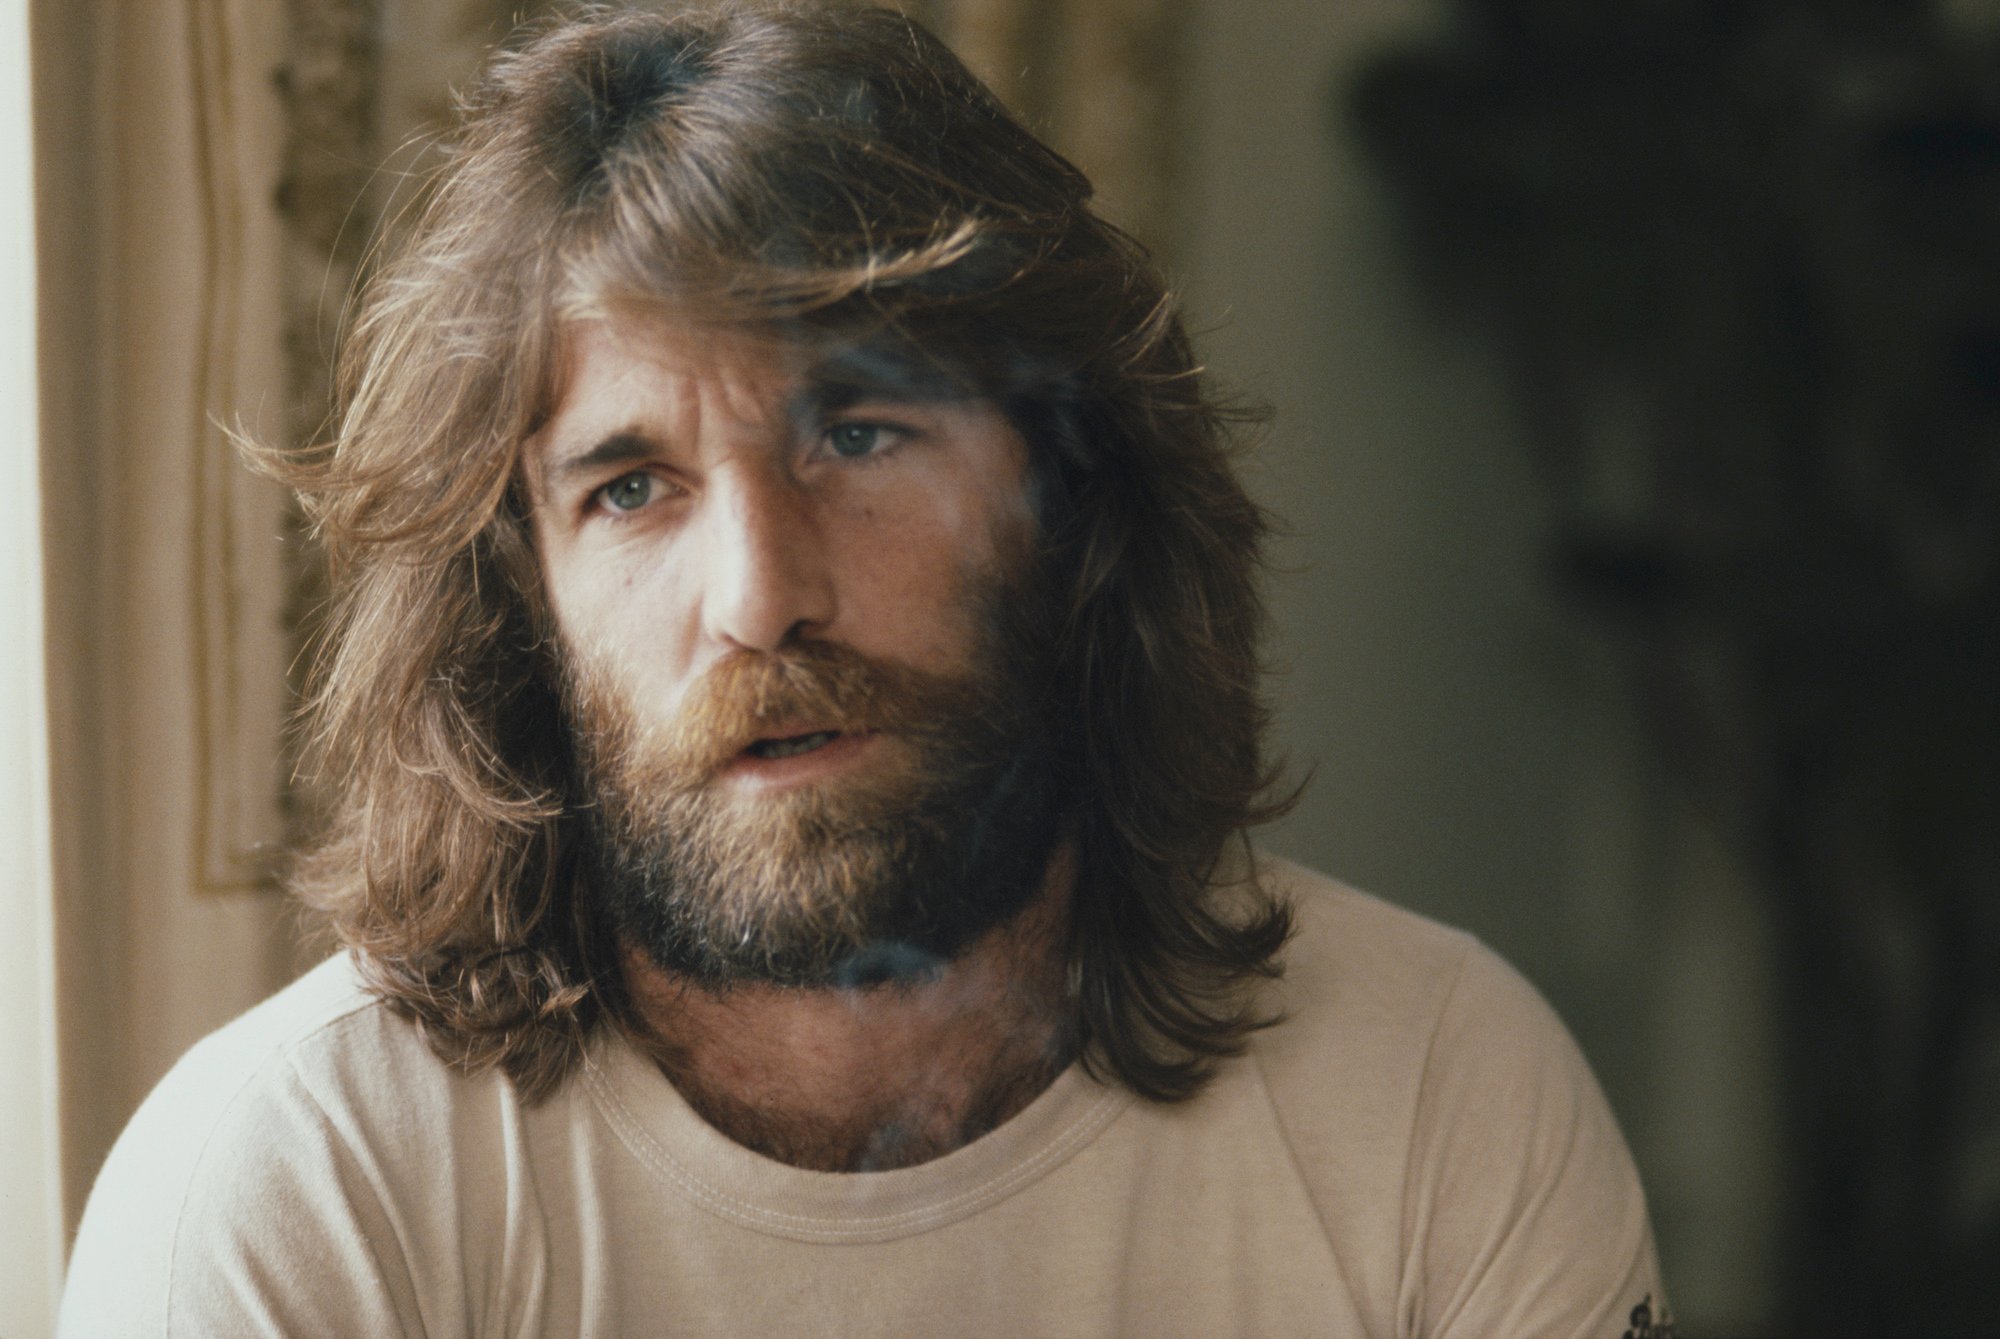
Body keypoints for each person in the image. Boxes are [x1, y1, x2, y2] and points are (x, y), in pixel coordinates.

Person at [60, 4, 1671, 1335]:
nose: (760, 596)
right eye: (630, 487)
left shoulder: (1438, 1090)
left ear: (1070, 495)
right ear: (520, 609)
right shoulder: (293, 1194)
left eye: (858, 430)